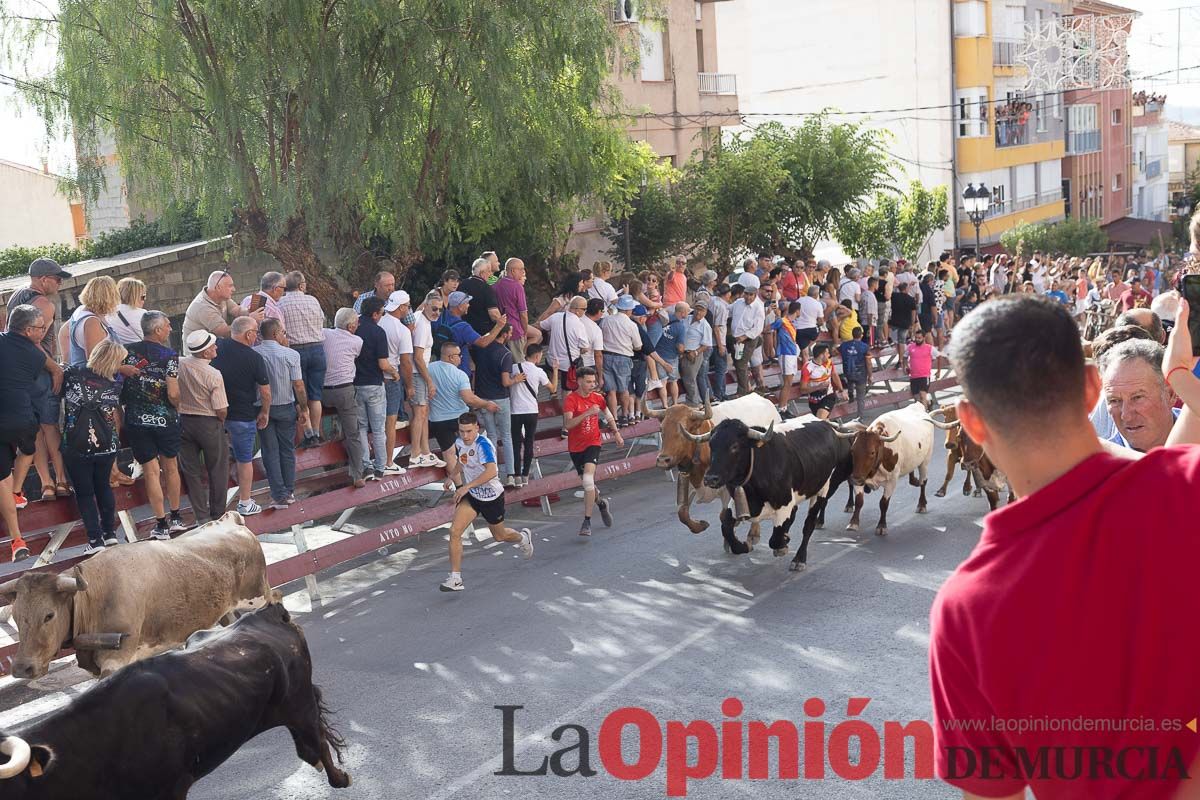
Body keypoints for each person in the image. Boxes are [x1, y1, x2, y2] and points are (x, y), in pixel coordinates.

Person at [930, 294, 1200, 798]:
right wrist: (1182, 377)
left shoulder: (965, 610)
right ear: (1094, 388)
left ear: (971, 421)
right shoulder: (1188, 485)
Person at [436, 412, 534, 592]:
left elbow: (491, 472)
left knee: (500, 536)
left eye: (468, 431)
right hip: (473, 496)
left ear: (477, 429)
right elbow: (462, 461)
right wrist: (452, 477)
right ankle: (455, 578)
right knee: (455, 531)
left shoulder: (484, 445)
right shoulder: (460, 443)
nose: (465, 436)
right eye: (461, 431)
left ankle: (522, 537)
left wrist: (465, 487)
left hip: (492, 497)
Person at [0, 305, 62, 560]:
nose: (44, 330)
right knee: (29, 449)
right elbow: (49, 369)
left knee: (0, 478)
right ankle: (16, 491)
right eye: (41, 328)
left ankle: (17, 541)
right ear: (28, 330)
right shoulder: (35, 356)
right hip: (20, 417)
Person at [121, 311, 185, 538]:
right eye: (168, 325)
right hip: (164, 418)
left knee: (150, 471)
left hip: (136, 419)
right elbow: (174, 391)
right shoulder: (169, 355)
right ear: (157, 330)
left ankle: (161, 523)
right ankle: (176, 516)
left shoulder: (126, 351)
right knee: (171, 467)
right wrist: (177, 406)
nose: (170, 329)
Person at [59, 339, 126, 554]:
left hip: (76, 445)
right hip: (107, 444)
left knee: (85, 494)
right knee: (104, 487)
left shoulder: (72, 374)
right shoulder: (115, 383)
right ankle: (110, 534)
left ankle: (95, 540)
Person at [212, 316, 271, 515]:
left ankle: (217, 506)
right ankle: (245, 502)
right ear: (248, 335)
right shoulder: (254, 358)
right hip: (243, 416)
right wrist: (264, 412)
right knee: (244, 460)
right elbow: (265, 392)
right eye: (256, 332)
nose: (257, 336)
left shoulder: (216, 348)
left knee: (218, 461)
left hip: (216, 414)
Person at [176, 331, 231, 524]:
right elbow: (221, 408)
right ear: (206, 353)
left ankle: (201, 516)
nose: (216, 347)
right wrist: (220, 421)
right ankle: (218, 513)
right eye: (213, 346)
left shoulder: (179, 364)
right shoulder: (213, 374)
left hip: (183, 421)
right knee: (218, 469)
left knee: (191, 472)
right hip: (208, 422)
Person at [254, 318, 308, 509]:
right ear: (276, 334)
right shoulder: (291, 354)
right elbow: (299, 385)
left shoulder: (253, 353)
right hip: (286, 405)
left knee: (270, 450)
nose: (285, 336)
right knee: (287, 449)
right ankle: (289, 490)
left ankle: (278, 494)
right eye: (283, 332)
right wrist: (304, 408)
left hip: (261, 408)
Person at [563, 367, 621, 537]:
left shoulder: (598, 397)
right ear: (579, 381)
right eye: (588, 382)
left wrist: (616, 432)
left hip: (593, 443)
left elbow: (608, 414)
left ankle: (586, 521)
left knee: (588, 480)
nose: (592, 385)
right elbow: (568, 424)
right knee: (588, 486)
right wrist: (587, 413)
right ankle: (601, 504)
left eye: (593, 382)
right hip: (575, 447)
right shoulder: (571, 400)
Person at [1097, 339, 1179, 452]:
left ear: (1170, 395)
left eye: (1137, 398)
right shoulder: (1101, 466)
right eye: (1115, 401)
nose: (1126, 415)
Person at [320, 309, 369, 488]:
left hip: (323, 392)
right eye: (356, 323)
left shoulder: (324, 334)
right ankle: (357, 475)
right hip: (344, 391)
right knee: (353, 434)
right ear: (351, 326)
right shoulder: (357, 341)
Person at [278, 271, 327, 448]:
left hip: (295, 351)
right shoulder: (313, 300)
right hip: (316, 349)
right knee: (315, 395)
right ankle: (316, 431)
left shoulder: (280, 303)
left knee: (300, 395)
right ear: (301, 285)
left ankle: (307, 434)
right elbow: (321, 320)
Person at [354, 296, 399, 480]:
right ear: (374, 314)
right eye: (381, 313)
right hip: (374, 384)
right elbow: (383, 364)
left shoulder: (353, 328)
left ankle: (366, 465)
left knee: (362, 427)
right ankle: (380, 467)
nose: (382, 316)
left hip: (356, 384)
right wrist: (394, 373)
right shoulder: (378, 332)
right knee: (379, 428)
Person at [426, 342, 500, 453]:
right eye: (459, 355)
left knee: (450, 455)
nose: (461, 357)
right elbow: (469, 399)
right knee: (471, 451)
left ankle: (454, 471)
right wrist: (486, 404)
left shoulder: (428, 369)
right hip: (460, 418)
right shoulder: (460, 374)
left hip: (438, 420)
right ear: (451, 357)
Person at [472, 324, 517, 487]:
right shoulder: (505, 354)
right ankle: (511, 474)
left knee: (490, 436)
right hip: (500, 398)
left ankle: (493, 474)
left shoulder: (481, 349)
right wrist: (516, 380)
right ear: (504, 334)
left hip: (483, 397)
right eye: (510, 332)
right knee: (506, 436)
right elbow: (506, 381)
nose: (512, 335)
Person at [376, 289, 415, 474]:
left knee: (375, 422)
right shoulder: (402, 330)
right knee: (390, 422)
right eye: (407, 306)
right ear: (402, 307)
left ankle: (378, 460)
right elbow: (406, 362)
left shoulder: (379, 322)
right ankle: (388, 461)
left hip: (374, 377)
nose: (408, 310)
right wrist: (409, 386)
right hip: (391, 377)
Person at [408, 292, 445, 470]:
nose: (437, 312)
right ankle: (415, 454)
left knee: (424, 412)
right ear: (426, 306)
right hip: (418, 374)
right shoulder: (422, 325)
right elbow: (418, 356)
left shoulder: (420, 317)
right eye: (434, 308)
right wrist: (429, 381)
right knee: (419, 413)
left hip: (418, 373)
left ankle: (425, 451)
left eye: (440, 309)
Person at [510, 343, 554, 487]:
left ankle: (516, 475)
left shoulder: (514, 368)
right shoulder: (539, 371)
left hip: (515, 411)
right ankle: (525, 474)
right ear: (537, 356)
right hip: (531, 411)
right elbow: (553, 388)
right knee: (529, 442)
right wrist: (556, 369)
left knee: (515, 444)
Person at [183, 270, 264, 342]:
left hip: (213, 346)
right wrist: (250, 319)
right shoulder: (203, 307)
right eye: (230, 286)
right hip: (199, 355)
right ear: (218, 287)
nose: (234, 289)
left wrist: (251, 311)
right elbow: (225, 332)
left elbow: (237, 310)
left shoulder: (222, 297)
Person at [441, 291, 507, 378]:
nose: (469, 305)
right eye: (467, 303)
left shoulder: (441, 317)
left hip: (441, 367)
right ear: (460, 307)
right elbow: (483, 342)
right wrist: (499, 326)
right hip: (459, 371)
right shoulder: (463, 327)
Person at [539, 295, 590, 404]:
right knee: (567, 389)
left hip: (551, 360)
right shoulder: (578, 324)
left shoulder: (555, 317)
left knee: (553, 373)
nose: (585, 312)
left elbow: (542, 325)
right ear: (576, 310)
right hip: (568, 364)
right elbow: (585, 347)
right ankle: (567, 412)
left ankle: (553, 392)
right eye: (584, 309)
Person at [600, 295, 641, 424]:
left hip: (606, 356)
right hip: (623, 358)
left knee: (610, 390)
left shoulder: (606, 320)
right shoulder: (631, 324)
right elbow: (638, 346)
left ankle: (614, 418)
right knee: (624, 389)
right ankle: (624, 415)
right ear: (629, 310)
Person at [730, 273, 765, 396]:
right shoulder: (738, 302)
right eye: (746, 294)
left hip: (748, 339)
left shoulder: (758, 308)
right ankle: (744, 389)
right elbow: (729, 310)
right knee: (738, 363)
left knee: (741, 364)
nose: (748, 297)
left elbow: (758, 328)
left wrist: (744, 337)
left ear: (755, 295)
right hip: (737, 338)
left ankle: (743, 391)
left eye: (751, 295)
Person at [494, 258, 531, 362]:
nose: (523, 272)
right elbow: (523, 313)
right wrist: (525, 331)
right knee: (519, 363)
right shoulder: (517, 286)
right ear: (513, 271)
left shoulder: (497, 285)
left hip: (501, 329)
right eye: (521, 269)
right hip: (516, 329)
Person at [653, 302, 689, 407]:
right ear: (682, 313)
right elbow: (680, 347)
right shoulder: (680, 326)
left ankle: (664, 405)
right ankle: (675, 403)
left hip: (658, 355)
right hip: (672, 357)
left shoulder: (665, 318)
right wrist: (682, 352)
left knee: (663, 382)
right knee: (673, 381)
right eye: (687, 311)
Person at [679, 301, 712, 406]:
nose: (698, 312)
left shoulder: (705, 325)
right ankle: (692, 400)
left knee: (690, 379)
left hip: (693, 354)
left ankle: (693, 402)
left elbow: (706, 344)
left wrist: (696, 352)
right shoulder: (687, 319)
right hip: (682, 352)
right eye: (697, 309)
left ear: (705, 312)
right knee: (685, 378)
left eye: (701, 310)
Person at [771, 301, 801, 416]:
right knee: (787, 383)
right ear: (797, 311)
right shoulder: (782, 321)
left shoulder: (791, 323)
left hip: (792, 354)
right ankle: (781, 409)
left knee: (789, 383)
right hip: (785, 354)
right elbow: (769, 329)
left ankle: (784, 407)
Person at [797, 343, 842, 419]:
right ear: (821, 355)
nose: (829, 355)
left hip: (828, 396)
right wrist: (818, 387)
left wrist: (841, 389)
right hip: (814, 400)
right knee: (823, 422)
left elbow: (834, 374)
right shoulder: (808, 368)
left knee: (820, 418)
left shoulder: (829, 362)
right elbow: (802, 390)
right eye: (827, 353)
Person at [460, 257, 502, 336]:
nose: (490, 274)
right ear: (482, 273)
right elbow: (494, 314)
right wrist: (503, 326)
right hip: (483, 332)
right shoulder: (486, 288)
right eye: (489, 271)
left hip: (464, 329)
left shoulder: (462, 285)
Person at [839, 326, 872, 419]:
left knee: (850, 382)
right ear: (861, 335)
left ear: (852, 334)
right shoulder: (865, 347)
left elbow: (835, 351)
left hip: (848, 373)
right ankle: (859, 417)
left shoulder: (844, 345)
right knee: (861, 398)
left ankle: (850, 395)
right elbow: (868, 362)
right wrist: (870, 375)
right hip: (861, 374)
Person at [706, 284, 731, 401]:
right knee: (721, 370)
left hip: (710, 340)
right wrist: (721, 345)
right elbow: (716, 327)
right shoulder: (721, 306)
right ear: (728, 294)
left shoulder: (712, 300)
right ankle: (719, 393)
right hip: (718, 341)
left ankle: (720, 392)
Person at [107, 277, 148, 345]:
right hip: (138, 353)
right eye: (143, 297)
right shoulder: (143, 314)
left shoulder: (108, 313)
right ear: (135, 297)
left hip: (118, 353)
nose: (144, 300)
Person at [906, 328, 940, 409]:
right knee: (917, 399)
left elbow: (939, 357)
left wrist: (939, 371)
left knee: (922, 395)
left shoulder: (929, 348)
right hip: (914, 376)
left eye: (919, 338)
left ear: (924, 338)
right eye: (916, 338)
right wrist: (906, 366)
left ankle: (924, 416)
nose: (917, 340)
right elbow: (904, 357)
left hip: (924, 376)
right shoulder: (910, 347)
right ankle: (928, 404)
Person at [890, 281, 918, 372]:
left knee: (898, 342)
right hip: (905, 323)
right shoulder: (910, 299)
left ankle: (900, 358)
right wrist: (912, 324)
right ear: (906, 289)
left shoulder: (894, 296)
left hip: (894, 322)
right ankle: (901, 360)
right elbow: (913, 313)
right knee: (902, 341)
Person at [581, 298, 607, 384]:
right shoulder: (596, 330)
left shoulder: (577, 319)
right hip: (588, 364)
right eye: (602, 311)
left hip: (572, 362)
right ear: (599, 312)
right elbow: (598, 355)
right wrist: (600, 377)